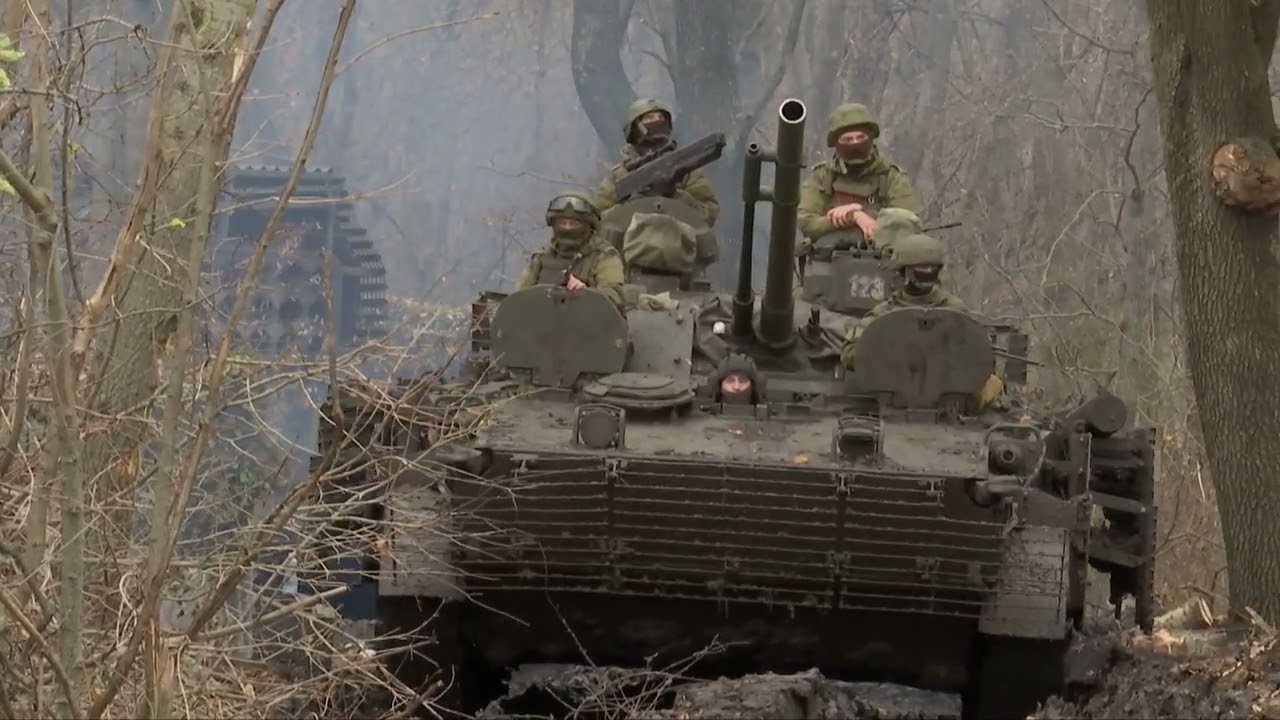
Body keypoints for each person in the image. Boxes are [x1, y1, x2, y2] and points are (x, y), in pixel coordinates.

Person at [839, 233, 1003, 412]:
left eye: (930, 267)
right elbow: (850, 354)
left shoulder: (956, 312)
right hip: (892, 402)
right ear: (903, 270)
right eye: (920, 267)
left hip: (950, 406)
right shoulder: (883, 313)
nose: (926, 271)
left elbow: (976, 357)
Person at [797, 103, 921, 252]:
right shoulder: (822, 177)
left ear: (871, 138)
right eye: (847, 140)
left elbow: (908, 223)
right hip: (828, 261)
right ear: (836, 143)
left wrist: (862, 214)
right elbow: (807, 224)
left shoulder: (891, 176)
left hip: (885, 259)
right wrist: (853, 216)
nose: (855, 144)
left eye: (861, 137)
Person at [593, 98, 720, 227]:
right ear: (634, 127)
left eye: (661, 117)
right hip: (631, 245)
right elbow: (597, 220)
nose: (657, 121)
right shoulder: (619, 175)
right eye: (649, 118)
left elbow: (708, 214)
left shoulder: (685, 170)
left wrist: (674, 195)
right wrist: (635, 202)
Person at [515, 191, 626, 312]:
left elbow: (614, 297)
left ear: (589, 225)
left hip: (588, 326)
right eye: (563, 223)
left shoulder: (604, 257)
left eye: (574, 224)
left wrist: (586, 293)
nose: (567, 228)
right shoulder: (542, 258)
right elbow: (518, 299)